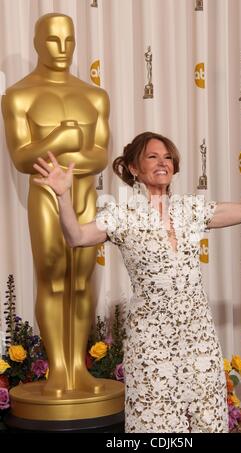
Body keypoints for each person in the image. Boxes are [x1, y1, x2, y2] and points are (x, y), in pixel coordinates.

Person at [33, 129, 241, 432]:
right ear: (134, 168)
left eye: (167, 157)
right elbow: (76, 236)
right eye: (152, 156)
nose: (162, 162)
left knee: (207, 422)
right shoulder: (122, 214)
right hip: (151, 343)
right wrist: (62, 195)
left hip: (198, 337)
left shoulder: (190, 208)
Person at [1, 13, 109, 396]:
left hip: (84, 194)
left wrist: (56, 155)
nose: (62, 50)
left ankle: (78, 369)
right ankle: (57, 370)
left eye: (68, 41)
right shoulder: (19, 95)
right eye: (52, 41)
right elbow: (20, 158)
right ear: (36, 42)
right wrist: (64, 138)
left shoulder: (94, 96)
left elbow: (100, 157)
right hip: (44, 195)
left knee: (81, 280)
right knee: (52, 276)